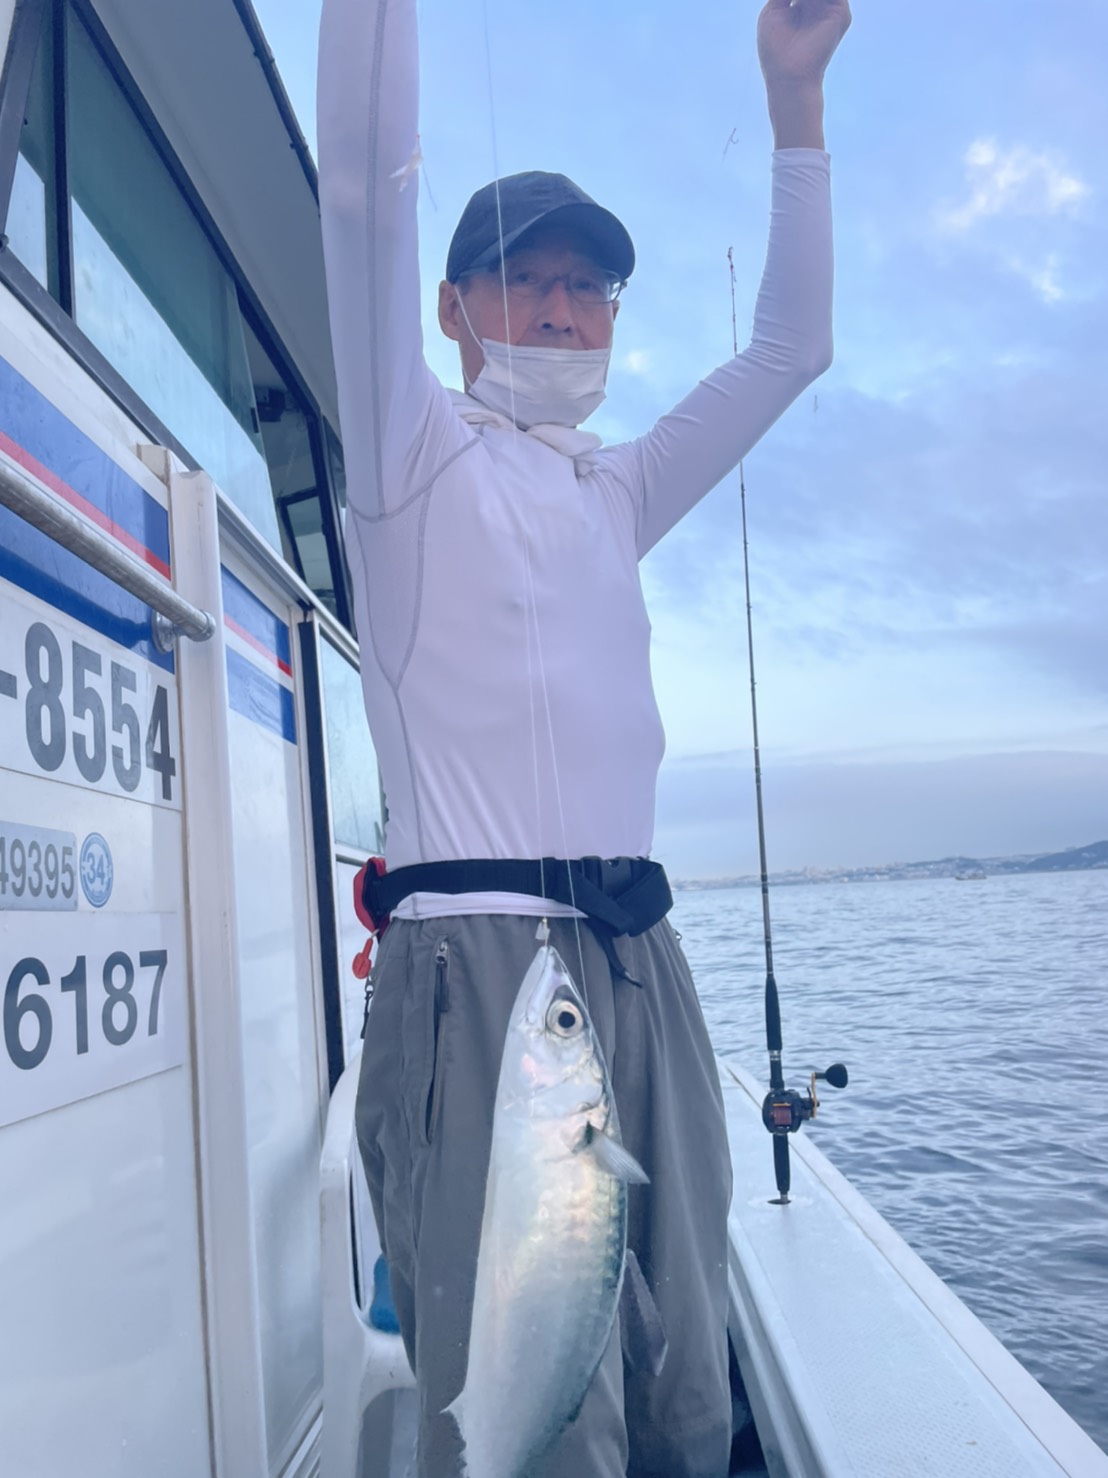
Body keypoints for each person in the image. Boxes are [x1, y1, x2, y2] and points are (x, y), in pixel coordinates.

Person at [317, 1, 851, 1473]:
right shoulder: (408, 459)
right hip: (479, 970)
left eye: (589, 287)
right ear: (449, 309)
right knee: (529, 1415)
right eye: (524, 278)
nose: (561, 310)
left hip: (636, 960)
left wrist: (792, 98)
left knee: (682, 1364)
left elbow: (792, 349)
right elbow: (361, 188)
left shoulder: (619, 491)